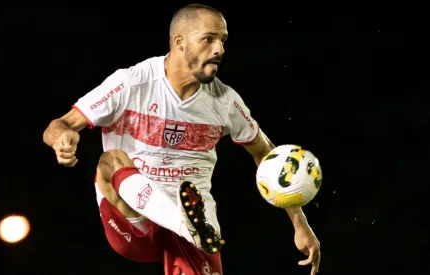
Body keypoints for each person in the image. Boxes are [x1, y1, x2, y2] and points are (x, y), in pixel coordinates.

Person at [43, 4, 321, 275]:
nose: (219, 49)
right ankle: (183, 224)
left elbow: (267, 156)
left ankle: (188, 226)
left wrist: (300, 223)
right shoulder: (130, 84)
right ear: (179, 42)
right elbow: (61, 124)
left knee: (195, 226)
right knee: (110, 162)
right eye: (209, 39)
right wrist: (62, 138)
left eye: (223, 40)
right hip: (134, 216)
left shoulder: (226, 101)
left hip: (195, 215)